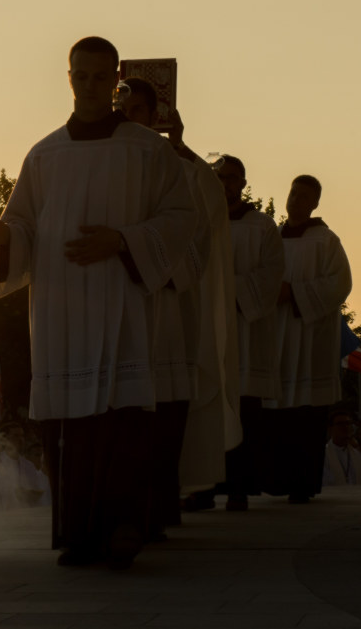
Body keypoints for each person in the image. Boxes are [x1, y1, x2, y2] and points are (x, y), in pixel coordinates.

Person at [0, 37, 197, 568]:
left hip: (120, 304)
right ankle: (76, 535)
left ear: (115, 78)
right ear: (68, 77)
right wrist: (1, 238)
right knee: (70, 427)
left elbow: (181, 218)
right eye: (81, 76)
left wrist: (122, 241)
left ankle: (121, 529)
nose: (91, 86)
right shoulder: (45, 154)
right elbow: (22, 223)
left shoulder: (146, 149)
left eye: (101, 77)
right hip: (61, 311)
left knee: (121, 421)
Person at [119, 78, 238, 529]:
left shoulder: (186, 170)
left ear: (156, 115)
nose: (132, 117)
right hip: (122, 307)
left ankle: (158, 508)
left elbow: (201, 235)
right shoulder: (109, 162)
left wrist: (155, 266)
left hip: (168, 310)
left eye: (139, 110)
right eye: (124, 108)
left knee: (165, 414)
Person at [271, 175, 352, 502]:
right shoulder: (272, 238)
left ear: (315, 203)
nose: (296, 201)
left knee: (307, 415)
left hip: (311, 338)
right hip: (277, 338)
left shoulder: (326, 241)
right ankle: (278, 480)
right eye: (293, 194)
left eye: (305, 197)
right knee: (279, 416)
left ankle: (303, 484)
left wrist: (296, 294)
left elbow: (341, 284)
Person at [214, 154, 284, 509]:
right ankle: (205, 487)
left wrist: (228, 289)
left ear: (242, 183)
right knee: (208, 409)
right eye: (219, 178)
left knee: (243, 410)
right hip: (209, 334)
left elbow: (271, 277)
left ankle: (239, 487)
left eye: (231, 178)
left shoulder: (262, 227)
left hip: (245, 334)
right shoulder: (201, 223)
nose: (225, 184)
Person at [322, 410, 361, 486]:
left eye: (348, 423)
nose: (345, 427)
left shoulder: (358, 457)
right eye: (340, 424)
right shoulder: (324, 455)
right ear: (330, 429)